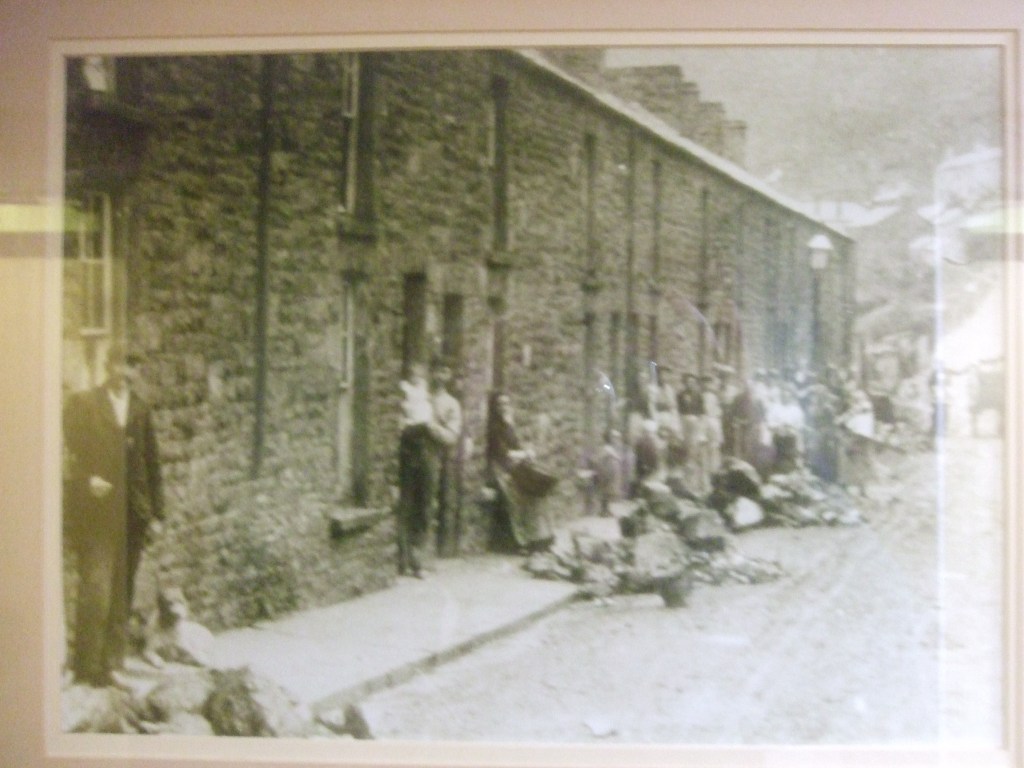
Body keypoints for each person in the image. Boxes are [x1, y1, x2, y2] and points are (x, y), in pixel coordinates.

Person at [63, 342, 163, 687]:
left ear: (137, 372)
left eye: (132, 366)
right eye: (120, 365)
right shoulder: (84, 404)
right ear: (109, 367)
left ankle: (113, 664)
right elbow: (67, 456)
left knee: (123, 589)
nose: (125, 373)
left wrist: (157, 514)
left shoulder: (140, 409)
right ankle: (86, 667)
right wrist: (87, 480)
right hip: (98, 511)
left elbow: (151, 463)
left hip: (132, 514)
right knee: (96, 587)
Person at [485, 392, 557, 553]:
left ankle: (542, 537)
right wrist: (524, 455)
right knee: (518, 499)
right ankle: (523, 541)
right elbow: (502, 453)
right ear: (494, 408)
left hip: (515, 466)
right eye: (500, 405)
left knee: (537, 495)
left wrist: (526, 453)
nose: (503, 407)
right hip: (502, 469)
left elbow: (516, 447)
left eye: (506, 404)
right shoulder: (494, 428)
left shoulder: (509, 425)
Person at [395, 363, 435, 577]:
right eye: (412, 373)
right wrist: (419, 428)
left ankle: (417, 559)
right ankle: (404, 559)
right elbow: (402, 427)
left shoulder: (425, 395)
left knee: (424, 506)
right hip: (409, 455)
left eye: (419, 374)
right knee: (407, 506)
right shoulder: (403, 394)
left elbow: (431, 424)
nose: (416, 377)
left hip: (424, 454)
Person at [426, 360, 463, 557]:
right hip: (421, 455)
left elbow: (452, 435)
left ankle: (443, 548)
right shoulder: (423, 397)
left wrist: (432, 427)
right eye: (437, 371)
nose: (440, 377)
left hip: (442, 455)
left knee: (444, 499)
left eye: (445, 372)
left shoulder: (451, 404)